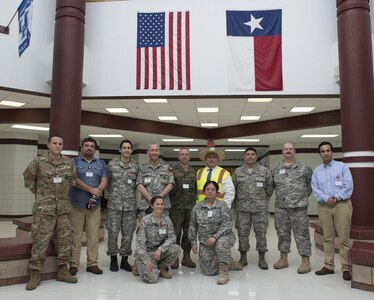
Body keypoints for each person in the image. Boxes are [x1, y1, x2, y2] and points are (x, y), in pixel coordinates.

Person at [23, 135, 77, 290]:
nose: (58, 146)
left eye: (60, 143)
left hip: (63, 209)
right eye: (54, 143)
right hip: (43, 210)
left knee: (64, 240)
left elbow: (72, 181)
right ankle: (35, 273)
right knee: (40, 240)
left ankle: (62, 270)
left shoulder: (68, 162)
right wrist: (41, 196)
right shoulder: (38, 161)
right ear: (48, 145)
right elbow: (28, 180)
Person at [312, 141, 353, 281]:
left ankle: (346, 268)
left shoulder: (342, 167)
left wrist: (335, 197)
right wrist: (326, 198)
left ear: (332, 152)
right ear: (320, 154)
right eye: (322, 151)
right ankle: (328, 266)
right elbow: (315, 189)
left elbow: (348, 186)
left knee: (344, 238)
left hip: (342, 205)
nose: (325, 153)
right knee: (328, 237)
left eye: (328, 150)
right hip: (324, 206)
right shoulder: (317, 171)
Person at [196, 147, 242, 271]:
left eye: (214, 157)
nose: (211, 159)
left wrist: (223, 209)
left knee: (221, 238)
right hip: (203, 212)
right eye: (209, 157)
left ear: (218, 159)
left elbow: (230, 192)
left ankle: (228, 262)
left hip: (220, 212)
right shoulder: (199, 172)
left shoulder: (224, 173)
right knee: (208, 241)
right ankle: (214, 259)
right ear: (205, 159)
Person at [271, 142, 313, 274]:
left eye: (290, 149)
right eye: (285, 149)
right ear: (282, 152)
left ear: (294, 151)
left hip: (299, 208)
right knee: (282, 234)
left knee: (302, 235)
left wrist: (300, 197)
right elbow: (271, 186)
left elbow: (310, 185)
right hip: (281, 208)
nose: (288, 151)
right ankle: (283, 259)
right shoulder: (276, 169)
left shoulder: (304, 167)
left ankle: (305, 261)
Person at [69, 137, 108, 275]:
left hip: (94, 206)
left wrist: (97, 191)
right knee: (76, 236)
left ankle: (92, 264)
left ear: (95, 149)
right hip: (76, 205)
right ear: (81, 148)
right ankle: (73, 264)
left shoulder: (101, 163)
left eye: (92, 146)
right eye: (86, 145)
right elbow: (74, 180)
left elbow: (104, 180)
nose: (89, 148)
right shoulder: (74, 162)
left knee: (93, 236)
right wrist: (91, 190)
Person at [189, 181, 238, 285]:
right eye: (208, 189)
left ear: (216, 192)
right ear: (204, 192)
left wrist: (215, 237)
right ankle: (229, 261)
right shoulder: (197, 207)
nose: (210, 191)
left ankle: (224, 272)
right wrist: (193, 243)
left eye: (213, 189)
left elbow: (227, 224)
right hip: (206, 242)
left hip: (223, 236)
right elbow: (193, 225)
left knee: (221, 244)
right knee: (208, 272)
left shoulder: (222, 205)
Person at [232, 147, 273, 269]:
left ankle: (262, 259)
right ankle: (243, 258)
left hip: (260, 209)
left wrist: (260, 200)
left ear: (256, 156)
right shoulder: (238, 172)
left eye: (252, 154)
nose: (250, 156)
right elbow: (234, 190)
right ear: (244, 157)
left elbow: (269, 189)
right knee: (242, 233)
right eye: (248, 154)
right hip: (242, 209)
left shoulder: (264, 171)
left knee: (261, 233)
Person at [106, 139, 138, 272]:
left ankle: (124, 260)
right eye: (124, 147)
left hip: (130, 207)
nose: (126, 150)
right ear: (120, 150)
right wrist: (115, 194)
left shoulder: (135, 166)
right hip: (114, 205)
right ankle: (113, 259)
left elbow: (137, 184)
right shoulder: (112, 164)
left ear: (131, 150)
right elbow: (107, 183)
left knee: (128, 234)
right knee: (113, 233)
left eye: (128, 148)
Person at [134, 196, 181, 284]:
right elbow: (140, 246)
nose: (160, 206)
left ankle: (161, 267)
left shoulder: (167, 220)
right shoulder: (145, 221)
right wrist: (147, 261)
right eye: (157, 204)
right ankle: (138, 264)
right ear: (152, 206)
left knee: (176, 248)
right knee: (151, 279)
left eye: (162, 204)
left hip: (158, 253)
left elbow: (172, 237)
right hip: (146, 253)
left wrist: (160, 249)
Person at [169, 147, 197, 269]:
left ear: (189, 157)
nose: (184, 156)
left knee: (188, 232)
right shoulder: (172, 170)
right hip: (176, 207)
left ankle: (186, 257)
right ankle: (175, 258)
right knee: (175, 232)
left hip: (190, 207)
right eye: (182, 154)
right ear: (179, 157)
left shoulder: (193, 171)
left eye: (186, 154)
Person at [136, 143, 174, 217]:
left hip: (163, 206)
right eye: (152, 150)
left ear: (159, 152)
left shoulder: (167, 167)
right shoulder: (142, 168)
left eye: (156, 150)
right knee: (145, 228)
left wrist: (158, 198)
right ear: (147, 152)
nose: (154, 152)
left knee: (163, 227)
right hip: (146, 206)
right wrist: (151, 199)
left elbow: (171, 184)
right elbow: (139, 185)